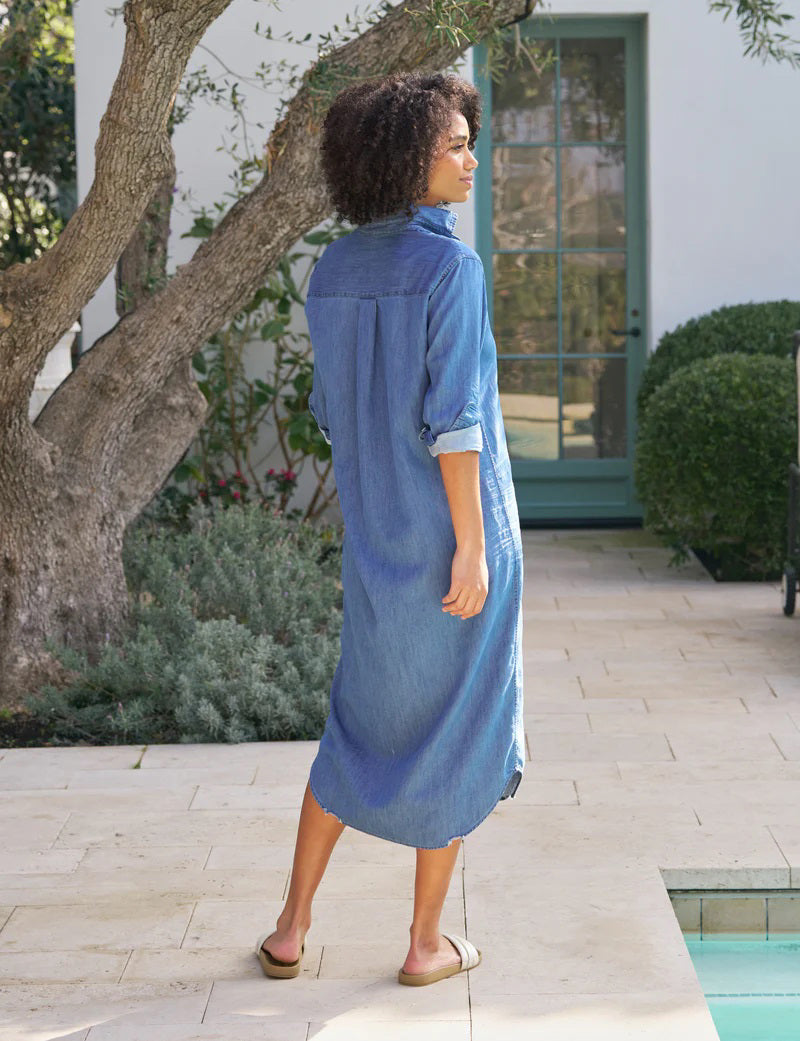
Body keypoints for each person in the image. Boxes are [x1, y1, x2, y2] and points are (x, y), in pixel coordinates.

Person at [255, 70, 524, 987]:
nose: (470, 156)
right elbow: (456, 423)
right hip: (453, 540)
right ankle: (422, 944)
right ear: (407, 158)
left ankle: (290, 928)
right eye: (454, 144)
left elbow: (332, 413)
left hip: (376, 544)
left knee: (354, 726)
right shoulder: (452, 268)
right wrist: (474, 544)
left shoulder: (332, 271)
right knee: (459, 725)